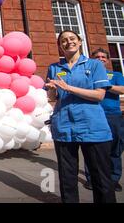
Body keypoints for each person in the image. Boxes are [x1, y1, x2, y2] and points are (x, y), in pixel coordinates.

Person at [45, 30, 116, 203]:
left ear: (79, 41)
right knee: (67, 180)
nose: (68, 42)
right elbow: (53, 99)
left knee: (101, 179)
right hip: (64, 127)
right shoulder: (55, 68)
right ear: (60, 46)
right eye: (63, 40)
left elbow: (99, 95)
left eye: (71, 39)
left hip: (93, 127)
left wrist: (69, 88)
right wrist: (53, 90)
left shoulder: (94, 65)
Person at [83, 48, 124, 192]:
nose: (100, 59)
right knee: (91, 148)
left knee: (115, 149)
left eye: (103, 57)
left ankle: (114, 179)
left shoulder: (116, 74)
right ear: (92, 59)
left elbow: (123, 89)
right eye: (97, 57)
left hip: (113, 115)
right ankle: (92, 179)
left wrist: (107, 86)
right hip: (93, 114)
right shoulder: (87, 74)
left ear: (107, 60)